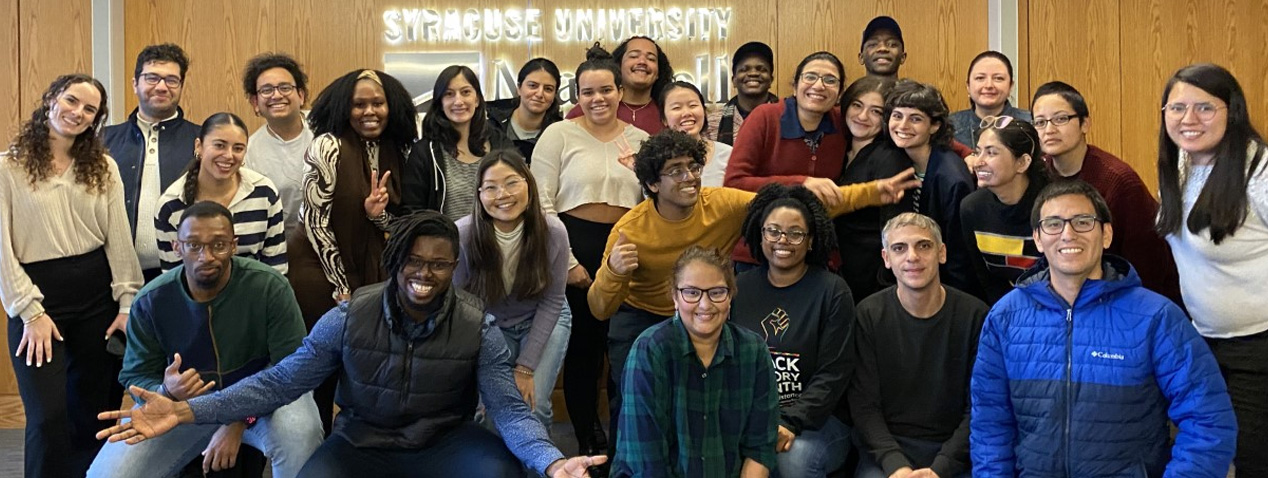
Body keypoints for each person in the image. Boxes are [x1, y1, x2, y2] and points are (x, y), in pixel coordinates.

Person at [95, 211, 605, 478]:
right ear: (395, 260)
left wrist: (552, 461)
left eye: (439, 264)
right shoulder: (347, 317)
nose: (424, 274)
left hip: (445, 443)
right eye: (414, 260)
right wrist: (186, 414)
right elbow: (278, 382)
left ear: (455, 268)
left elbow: (510, 412)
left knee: (501, 472)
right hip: (362, 443)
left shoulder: (480, 328)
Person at [589, 129, 917, 452]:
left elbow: (793, 209)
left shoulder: (721, 204)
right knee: (636, 402)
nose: (689, 177)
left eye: (693, 166)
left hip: (703, 317)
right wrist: (613, 271)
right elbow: (599, 308)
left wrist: (873, 192)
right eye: (675, 171)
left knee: (695, 410)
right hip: (644, 316)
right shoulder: (630, 229)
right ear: (652, 184)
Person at [971, 180, 1238, 477]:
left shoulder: (1156, 318)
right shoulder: (1004, 318)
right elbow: (989, 426)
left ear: (1106, 234)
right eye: (1053, 224)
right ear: (1037, 238)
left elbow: (1208, 420)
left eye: (1083, 222)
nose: (1068, 233)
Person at [87, 201, 322, 478]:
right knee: (106, 475)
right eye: (194, 245)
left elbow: (291, 371)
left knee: (300, 434)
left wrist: (237, 420)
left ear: (234, 245)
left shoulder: (269, 287)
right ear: (177, 247)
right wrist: (167, 390)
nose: (206, 256)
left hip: (262, 401)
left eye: (219, 245)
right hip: (183, 407)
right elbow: (136, 374)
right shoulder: (151, 300)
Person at [1, 73, 143, 477]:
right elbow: (2, 252)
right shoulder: (8, 168)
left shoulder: (104, 167)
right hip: (38, 301)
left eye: (89, 109)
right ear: (50, 99)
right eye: (71, 101)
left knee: (94, 416)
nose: (78, 112)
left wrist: (127, 303)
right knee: (47, 419)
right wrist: (30, 311)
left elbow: (118, 238)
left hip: (98, 300)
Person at [531, 45, 650, 456]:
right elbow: (541, 201)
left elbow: (654, 200)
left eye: (605, 90)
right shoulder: (558, 134)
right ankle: (586, 437)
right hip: (572, 241)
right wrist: (568, 262)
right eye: (587, 92)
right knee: (583, 347)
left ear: (620, 91)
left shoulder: (641, 140)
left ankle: (625, 436)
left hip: (627, 247)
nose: (597, 99)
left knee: (626, 346)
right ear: (576, 96)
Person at [287, 68, 418, 435]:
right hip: (318, 271)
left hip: (373, 271)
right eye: (359, 104)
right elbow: (314, 220)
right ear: (344, 108)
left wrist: (377, 216)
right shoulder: (327, 144)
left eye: (378, 103)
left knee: (366, 367)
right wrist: (341, 287)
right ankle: (315, 449)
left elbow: (395, 226)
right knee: (322, 368)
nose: (369, 111)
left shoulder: (398, 149)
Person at [1157, 62, 1268, 477]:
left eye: (1204, 107)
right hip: (1204, 341)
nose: (1188, 119)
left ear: (1232, 111)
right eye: (1177, 107)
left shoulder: (1259, 171)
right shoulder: (1181, 165)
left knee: (1249, 459)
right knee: (1208, 456)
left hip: (1258, 348)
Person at [611, 246, 778, 478]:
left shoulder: (754, 350)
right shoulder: (651, 349)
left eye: (717, 292)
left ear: (730, 296)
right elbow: (647, 462)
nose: (705, 304)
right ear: (675, 297)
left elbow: (760, 448)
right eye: (691, 292)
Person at [850, 213, 987, 478]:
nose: (912, 256)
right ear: (886, 258)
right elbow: (864, 406)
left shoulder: (976, 316)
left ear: (942, 253)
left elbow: (980, 406)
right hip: (887, 452)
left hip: (956, 453)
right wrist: (896, 465)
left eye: (923, 245)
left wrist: (942, 468)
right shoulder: (868, 315)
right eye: (899, 248)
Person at [731, 184, 854, 478]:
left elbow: (833, 374)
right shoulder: (739, 288)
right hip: (751, 417)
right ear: (760, 235)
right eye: (772, 231)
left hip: (818, 423)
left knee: (792, 458)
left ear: (810, 241)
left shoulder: (832, 291)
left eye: (795, 233)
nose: (782, 240)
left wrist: (789, 422)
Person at [1031, 81, 1181, 304]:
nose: (1049, 130)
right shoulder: (1038, 173)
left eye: (1061, 119)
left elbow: (1148, 264)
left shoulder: (1118, 180)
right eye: (1040, 122)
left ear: (1085, 124)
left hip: (1127, 298)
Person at [454, 151, 571, 430]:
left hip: (544, 316)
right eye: (491, 187)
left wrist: (525, 367)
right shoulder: (463, 234)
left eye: (511, 182)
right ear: (479, 194)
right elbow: (462, 305)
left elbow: (553, 300)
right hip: (490, 324)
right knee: (493, 409)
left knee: (534, 406)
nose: (502, 194)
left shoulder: (553, 230)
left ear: (528, 183)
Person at [725, 51, 849, 268]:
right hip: (759, 250)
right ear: (795, 85)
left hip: (815, 251)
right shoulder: (765, 117)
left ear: (839, 93)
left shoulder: (842, 124)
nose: (819, 86)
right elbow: (734, 183)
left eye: (830, 80)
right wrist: (800, 184)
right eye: (810, 77)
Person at [103, 43, 201, 282]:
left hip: (183, 274)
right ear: (135, 83)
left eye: (171, 80)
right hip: (114, 278)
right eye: (152, 78)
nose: (161, 86)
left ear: (181, 86)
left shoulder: (202, 140)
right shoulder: (104, 140)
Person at [155, 113, 287, 274]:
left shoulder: (265, 192)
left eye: (238, 148)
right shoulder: (171, 204)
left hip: (257, 295)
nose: (229, 155)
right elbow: (173, 279)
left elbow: (277, 268)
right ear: (199, 147)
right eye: (219, 145)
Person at [886, 79, 979, 297]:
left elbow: (960, 256)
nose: (903, 126)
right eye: (897, 116)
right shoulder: (896, 157)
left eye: (915, 119)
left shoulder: (952, 179)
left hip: (947, 289)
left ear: (935, 125)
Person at [834, 76, 910, 303]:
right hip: (841, 269)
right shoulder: (838, 149)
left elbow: (895, 228)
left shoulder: (890, 158)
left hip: (873, 277)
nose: (862, 116)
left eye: (875, 111)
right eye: (857, 105)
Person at [401, 64, 509, 220]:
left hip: (494, 241)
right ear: (440, 103)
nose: (458, 101)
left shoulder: (499, 142)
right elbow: (412, 211)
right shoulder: (425, 151)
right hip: (445, 242)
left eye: (465, 92)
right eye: (449, 94)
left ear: (477, 99)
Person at [960, 115, 1047, 304]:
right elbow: (982, 281)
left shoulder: (1053, 208)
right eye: (978, 152)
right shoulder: (972, 208)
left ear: (1022, 163)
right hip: (1001, 310)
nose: (978, 162)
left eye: (991, 153)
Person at [241, 52, 314, 240]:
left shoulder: (326, 131)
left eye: (285, 87)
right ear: (255, 103)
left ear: (301, 95)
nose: (276, 95)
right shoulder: (249, 152)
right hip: (281, 247)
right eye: (266, 90)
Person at [565, 36, 674, 134]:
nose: (642, 62)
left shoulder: (669, 113)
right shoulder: (588, 109)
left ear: (659, 72)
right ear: (618, 65)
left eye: (651, 59)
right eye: (634, 56)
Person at [948, 51, 1032, 149]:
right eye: (980, 78)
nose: (989, 85)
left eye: (998, 78)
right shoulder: (949, 127)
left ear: (1010, 86)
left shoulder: (1030, 122)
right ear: (968, 86)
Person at [487, 58, 564, 161]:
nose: (540, 94)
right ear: (519, 88)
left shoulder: (560, 134)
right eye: (533, 86)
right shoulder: (492, 127)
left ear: (555, 94)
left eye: (548, 89)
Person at [704, 41, 779, 146]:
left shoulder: (789, 116)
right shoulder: (711, 124)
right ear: (734, 80)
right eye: (744, 69)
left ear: (771, 80)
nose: (753, 73)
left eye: (761, 69)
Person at [660, 81, 733, 187]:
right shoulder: (657, 160)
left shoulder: (728, 154)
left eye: (693, 105)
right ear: (664, 119)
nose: (687, 113)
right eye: (676, 108)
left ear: (704, 111)